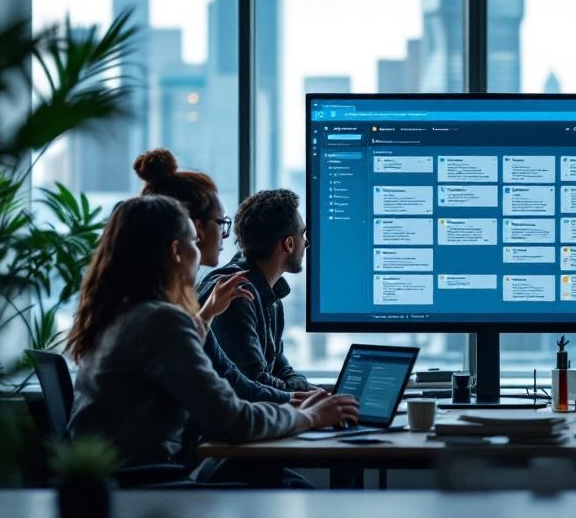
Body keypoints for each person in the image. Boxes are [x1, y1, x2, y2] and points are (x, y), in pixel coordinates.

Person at [66, 195, 358, 470]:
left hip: (110, 482)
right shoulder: (161, 320)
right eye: (194, 241)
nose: (200, 251)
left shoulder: (121, 313)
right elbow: (231, 418)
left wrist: (204, 318)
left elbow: (226, 375)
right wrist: (308, 416)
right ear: (175, 252)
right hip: (145, 485)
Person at [133, 148, 309, 405]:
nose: (226, 236)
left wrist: (303, 399)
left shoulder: (185, 309)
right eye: (221, 223)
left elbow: (232, 380)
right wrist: (304, 408)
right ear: (197, 228)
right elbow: (233, 396)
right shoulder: (169, 315)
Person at [198, 189, 312, 392]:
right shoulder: (236, 293)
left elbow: (281, 368)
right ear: (289, 244)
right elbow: (254, 384)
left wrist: (310, 391)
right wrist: (300, 392)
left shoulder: (271, 296)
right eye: (302, 234)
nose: (307, 243)